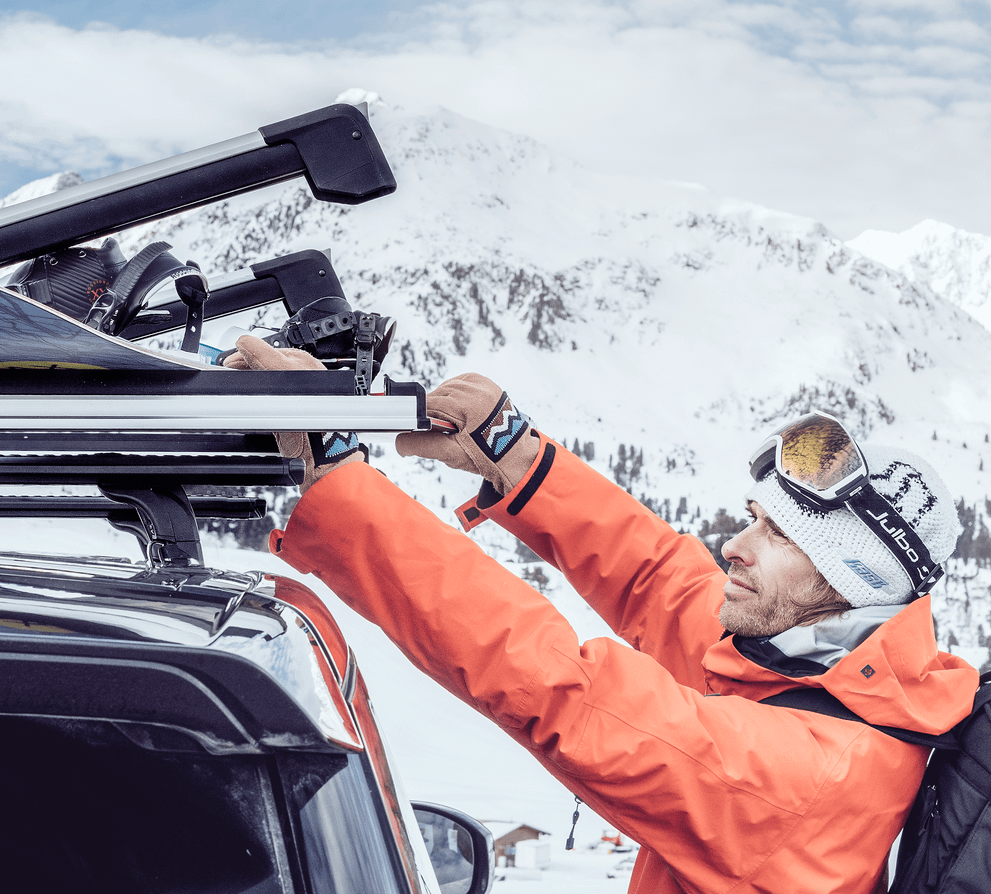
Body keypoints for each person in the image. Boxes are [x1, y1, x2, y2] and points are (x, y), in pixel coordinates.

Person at [226, 337, 978, 894]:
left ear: (851, 584)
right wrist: (510, 454)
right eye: (754, 517)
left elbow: (564, 691)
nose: (734, 545)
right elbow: (656, 575)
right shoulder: (822, 668)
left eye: (778, 535)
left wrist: (339, 475)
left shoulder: (808, 775)